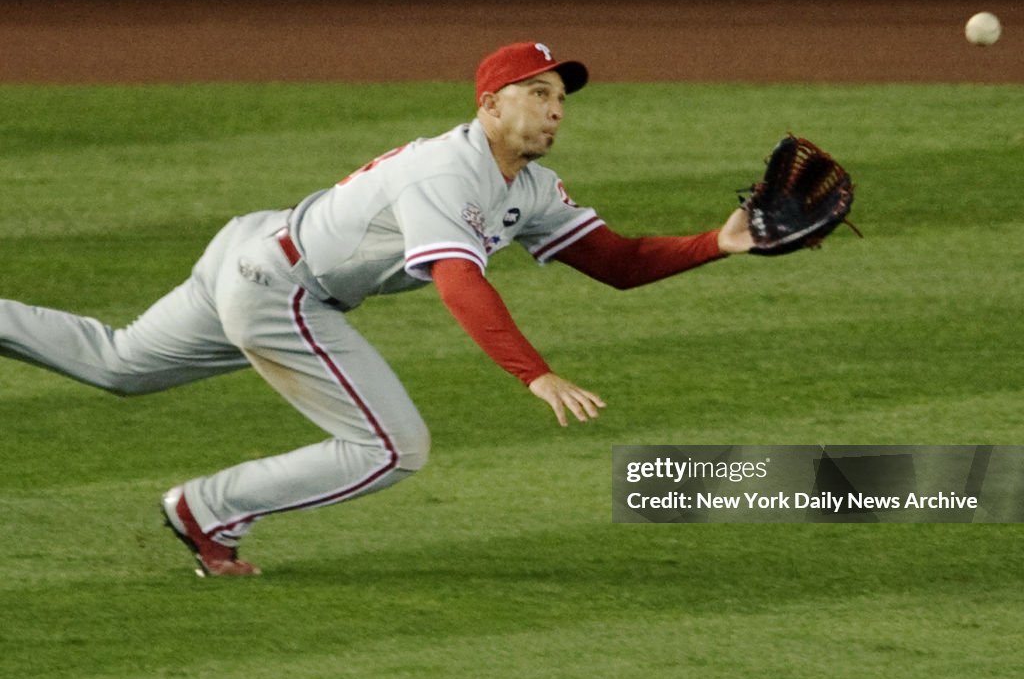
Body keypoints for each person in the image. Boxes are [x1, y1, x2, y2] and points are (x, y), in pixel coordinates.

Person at [0, 42, 754, 576]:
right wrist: (534, 373)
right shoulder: (446, 171)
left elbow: (616, 263)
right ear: (490, 104)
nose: (554, 111)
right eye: (538, 93)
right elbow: (460, 281)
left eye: (560, 98)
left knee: (119, 364)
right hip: (279, 288)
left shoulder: (527, 188)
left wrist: (718, 241)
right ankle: (205, 508)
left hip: (259, 250)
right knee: (393, 447)